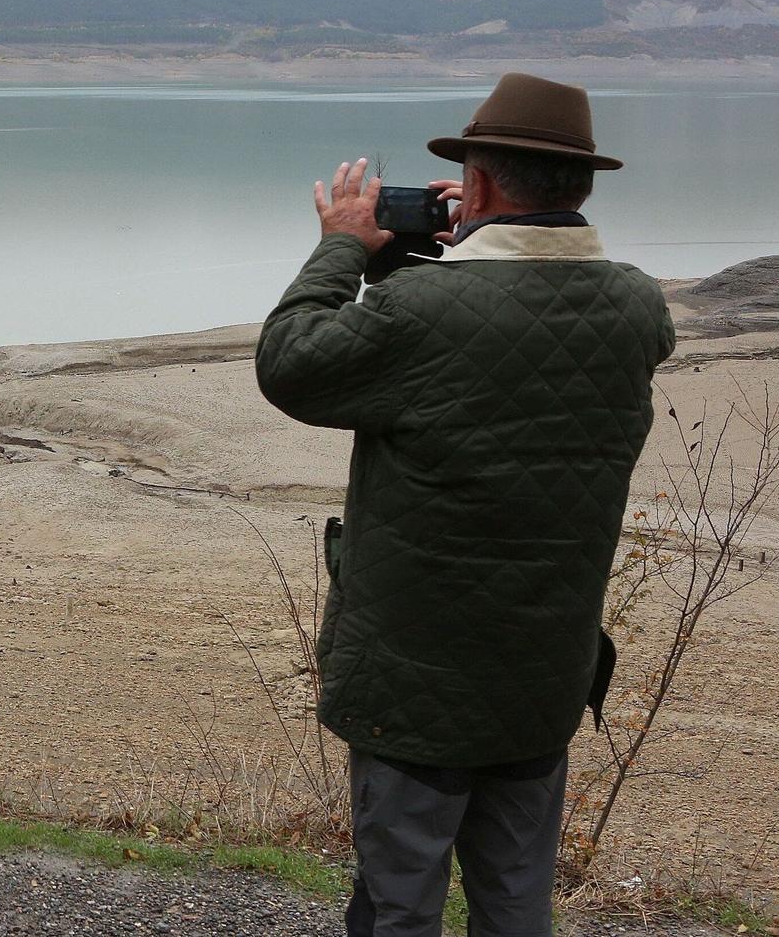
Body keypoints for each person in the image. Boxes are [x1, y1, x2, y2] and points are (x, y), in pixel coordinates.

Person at [253, 73, 675, 937]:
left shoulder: (424, 309)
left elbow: (292, 363)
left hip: (416, 684)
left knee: (401, 900)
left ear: (475, 184)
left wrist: (345, 249)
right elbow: (515, 325)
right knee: (517, 895)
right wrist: (474, 245)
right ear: (583, 186)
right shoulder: (638, 307)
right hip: (542, 670)